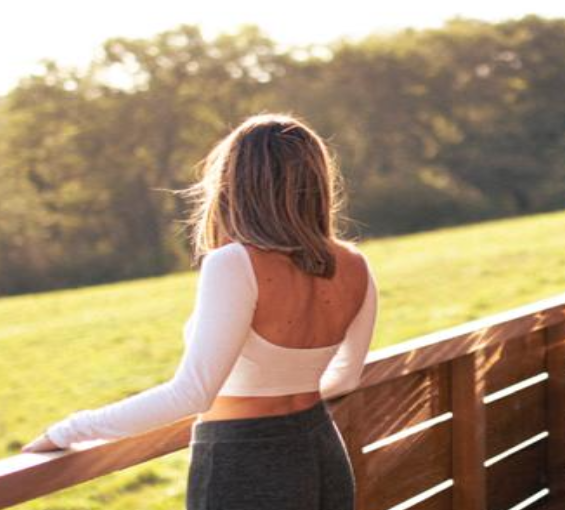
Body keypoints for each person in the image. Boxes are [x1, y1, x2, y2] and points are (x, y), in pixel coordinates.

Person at [22, 112, 379, 510]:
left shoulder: (234, 263)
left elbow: (191, 393)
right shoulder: (353, 265)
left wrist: (69, 430)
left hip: (245, 462)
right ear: (316, 180)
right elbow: (345, 377)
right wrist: (285, 390)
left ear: (235, 184)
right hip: (320, 449)